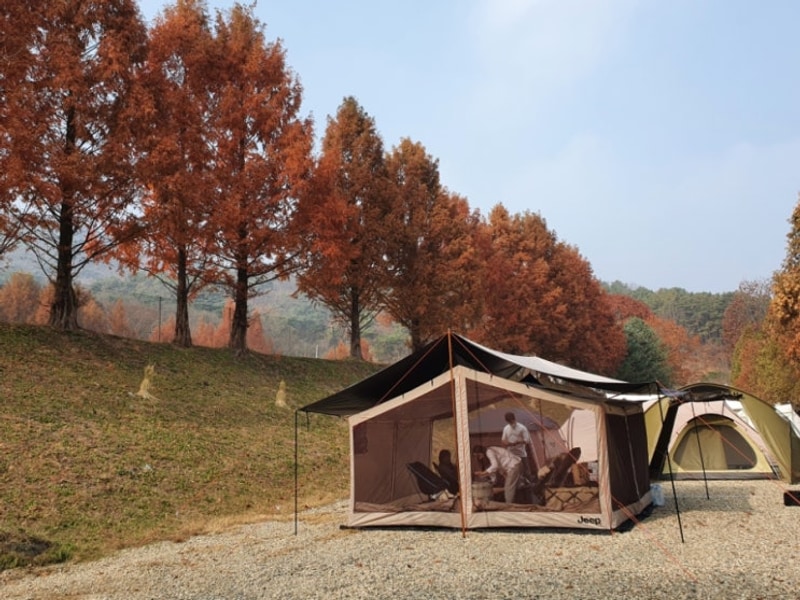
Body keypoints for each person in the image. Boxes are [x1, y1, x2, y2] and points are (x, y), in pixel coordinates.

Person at [501, 411, 534, 482]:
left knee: (526, 471)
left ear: (514, 419)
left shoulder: (522, 428)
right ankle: (518, 485)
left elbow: (527, 440)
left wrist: (518, 442)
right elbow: (503, 440)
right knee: (513, 471)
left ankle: (531, 485)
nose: (511, 423)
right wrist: (507, 443)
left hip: (521, 453)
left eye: (512, 421)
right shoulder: (506, 428)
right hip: (511, 454)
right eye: (509, 422)